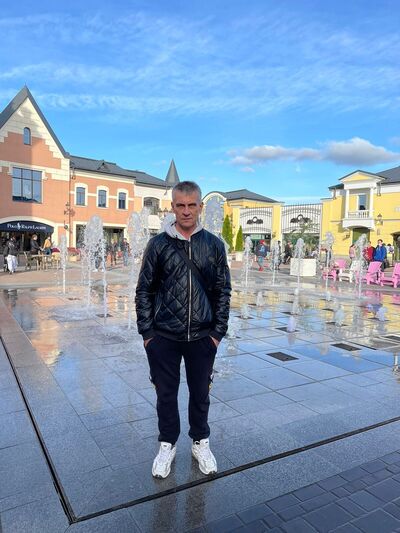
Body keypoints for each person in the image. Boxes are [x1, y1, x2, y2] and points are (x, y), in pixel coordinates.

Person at [136, 181, 231, 479]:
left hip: (202, 336)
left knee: (200, 393)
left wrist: (217, 333)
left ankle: (200, 442)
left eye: (192, 205)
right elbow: (144, 291)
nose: (186, 211)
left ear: (200, 207)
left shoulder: (213, 245)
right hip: (164, 336)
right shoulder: (158, 245)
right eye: (181, 205)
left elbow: (223, 291)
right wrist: (147, 334)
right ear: (173, 207)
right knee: (165, 395)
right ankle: (167, 444)